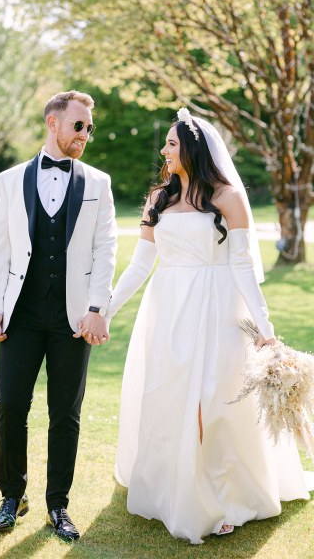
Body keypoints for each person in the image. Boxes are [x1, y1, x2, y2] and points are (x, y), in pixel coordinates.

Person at [104, 108, 311, 544]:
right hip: (169, 308)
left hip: (220, 308)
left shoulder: (228, 198)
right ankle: (177, 490)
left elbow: (242, 265)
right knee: (172, 397)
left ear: (193, 149)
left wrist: (265, 327)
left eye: (172, 143)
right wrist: (105, 310)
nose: (164, 150)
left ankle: (223, 494)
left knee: (215, 399)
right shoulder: (158, 198)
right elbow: (140, 266)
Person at [0, 90, 117, 541]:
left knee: (66, 413)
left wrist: (98, 308)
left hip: (74, 317)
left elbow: (105, 251)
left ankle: (57, 505)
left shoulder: (98, 183)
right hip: (21, 313)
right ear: (53, 123)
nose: (85, 135)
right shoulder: (10, 180)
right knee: (10, 408)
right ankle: (11, 496)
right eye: (78, 126)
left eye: (89, 128)